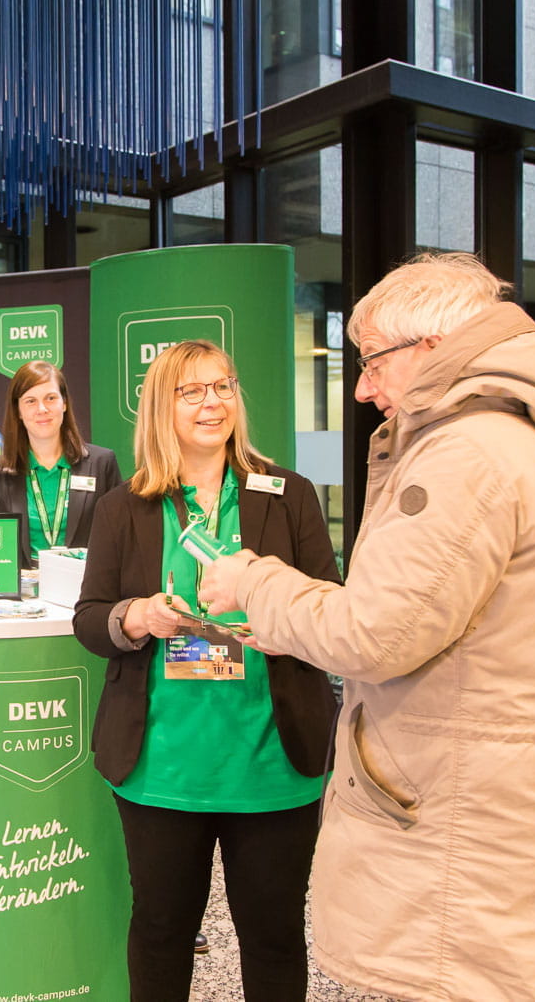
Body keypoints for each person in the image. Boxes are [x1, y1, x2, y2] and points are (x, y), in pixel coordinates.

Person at [198, 252, 535, 1000]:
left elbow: (374, 633)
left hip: (469, 839)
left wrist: (252, 582)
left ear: (431, 349)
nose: (360, 388)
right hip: (498, 820)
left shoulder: (464, 456)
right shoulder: (509, 446)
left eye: (371, 362)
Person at [72, 340, 340, 1002]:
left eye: (223, 386)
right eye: (191, 390)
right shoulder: (123, 507)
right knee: (161, 932)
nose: (212, 402)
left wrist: (278, 625)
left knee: (274, 935)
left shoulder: (288, 494)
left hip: (272, 764)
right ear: (161, 406)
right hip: (162, 767)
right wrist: (136, 615)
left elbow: (331, 610)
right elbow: (90, 617)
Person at [0, 360, 121, 567]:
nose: (42, 409)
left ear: (64, 403)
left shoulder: (101, 463)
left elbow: (119, 534)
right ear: (18, 410)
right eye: (30, 401)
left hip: (84, 589)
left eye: (50, 398)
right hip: (23, 592)